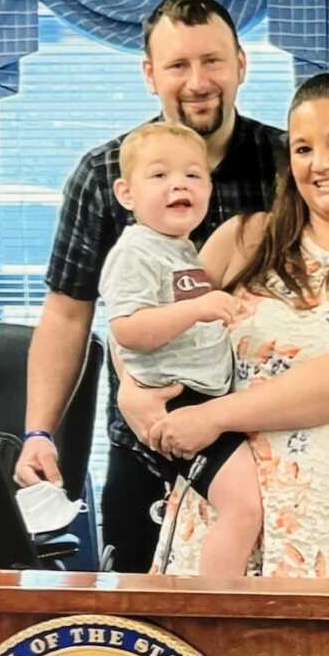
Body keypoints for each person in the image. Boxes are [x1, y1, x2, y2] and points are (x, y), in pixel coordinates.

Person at [14, 0, 329, 572]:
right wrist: (39, 432)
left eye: (211, 61)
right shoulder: (106, 175)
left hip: (266, 445)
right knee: (148, 635)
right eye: (178, 65)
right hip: (147, 439)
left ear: (240, 64)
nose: (197, 81)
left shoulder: (289, 164)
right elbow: (68, 314)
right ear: (150, 74)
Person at [127, 72, 329, 579]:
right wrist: (134, 395)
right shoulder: (241, 240)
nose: (319, 163)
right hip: (215, 533)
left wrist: (214, 416)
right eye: (302, 148)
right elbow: (145, 321)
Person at [99, 121, 262, 576]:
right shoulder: (135, 253)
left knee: (228, 509)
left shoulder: (179, 249)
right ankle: (215, 608)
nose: (179, 184)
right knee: (243, 507)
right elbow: (127, 329)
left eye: (193, 175)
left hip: (207, 396)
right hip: (183, 400)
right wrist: (198, 310)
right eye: (159, 175)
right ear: (126, 193)